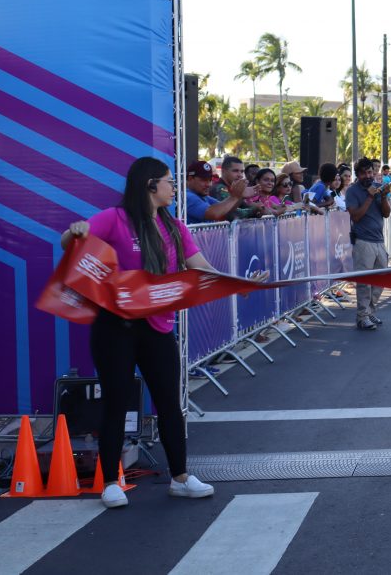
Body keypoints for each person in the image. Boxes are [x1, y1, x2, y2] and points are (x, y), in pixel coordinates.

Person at [60, 157, 258, 509]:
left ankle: (180, 477)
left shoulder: (175, 227)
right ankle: (109, 483)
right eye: (169, 181)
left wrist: (238, 285)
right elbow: (72, 240)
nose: (173, 187)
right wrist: (73, 232)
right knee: (117, 403)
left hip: (158, 326)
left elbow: (202, 270)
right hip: (114, 327)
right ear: (150, 185)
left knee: (169, 402)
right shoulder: (115, 218)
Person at [345, 157, 391, 330]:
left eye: (370, 172)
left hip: (379, 240)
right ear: (358, 175)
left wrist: (384, 196)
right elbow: (355, 216)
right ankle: (362, 316)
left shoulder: (378, 188)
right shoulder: (352, 191)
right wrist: (370, 197)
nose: (368, 175)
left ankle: (370, 312)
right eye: (364, 173)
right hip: (363, 241)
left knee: (380, 280)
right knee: (364, 282)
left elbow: (386, 214)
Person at [185, 160, 249, 224]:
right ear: (190, 179)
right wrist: (235, 197)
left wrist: (240, 196)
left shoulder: (203, 196)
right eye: (204, 180)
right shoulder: (187, 196)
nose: (209, 184)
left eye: (210, 180)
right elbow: (214, 213)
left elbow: (227, 210)